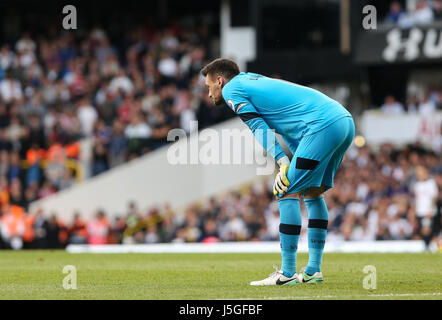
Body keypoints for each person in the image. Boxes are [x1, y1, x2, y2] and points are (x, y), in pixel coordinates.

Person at [201, 58, 354, 286]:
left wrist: (282, 163)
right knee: (313, 193)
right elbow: (293, 133)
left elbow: (258, 127)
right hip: (343, 121)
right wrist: (288, 161)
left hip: (321, 125)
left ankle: (288, 272)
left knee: (285, 191)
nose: (209, 93)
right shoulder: (252, 80)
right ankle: (312, 271)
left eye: (209, 86)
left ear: (220, 81)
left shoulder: (233, 88)